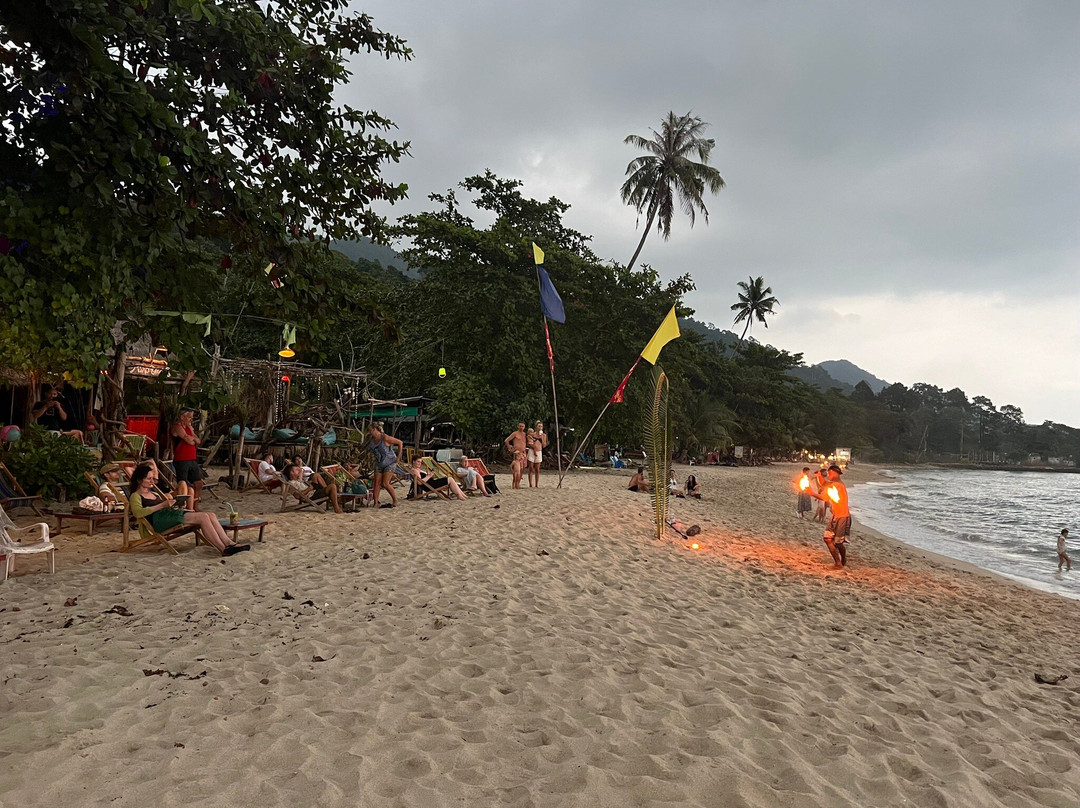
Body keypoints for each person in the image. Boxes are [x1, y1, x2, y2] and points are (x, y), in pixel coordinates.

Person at [128, 462, 248, 556]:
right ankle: (223, 549)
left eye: (152, 478)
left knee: (210, 514)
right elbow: (138, 513)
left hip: (167, 515)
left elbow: (162, 506)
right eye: (149, 479)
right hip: (159, 522)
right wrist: (162, 505)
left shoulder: (153, 493)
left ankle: (230, 543)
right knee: (203, 517)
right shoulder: (136, 496)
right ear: (139, 480)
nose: (152, 482)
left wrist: (175, 504)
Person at [807, 464, 851, 569]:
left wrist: (811, 493)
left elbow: (824, 497)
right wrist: (819, 476)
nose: (828, 475)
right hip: (835, 516)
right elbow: (825, 484)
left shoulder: (838, 485)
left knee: (838, 543)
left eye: (829, 473)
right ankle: (839, 562)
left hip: (843, 517)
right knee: (827, 539)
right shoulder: (834, 484)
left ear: (835, 473)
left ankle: (841, 561)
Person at [170, 408, 203, 511]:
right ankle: (183, 505)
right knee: (183, 483)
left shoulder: (189, 427)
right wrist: (192, 438)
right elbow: (189, 441)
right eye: (189, 417)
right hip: (181, 459)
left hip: (192, 458)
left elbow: (197, 440)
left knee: (198, 483)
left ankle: (195, 504)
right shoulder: (177, 427)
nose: (191, 419)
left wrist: (192, 438)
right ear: (182, 417)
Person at [368, 422, 403, 508]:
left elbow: (400, 442)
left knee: (385, 483)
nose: (370, 432)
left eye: (371, 430)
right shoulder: (371, 440)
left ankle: (395, 500)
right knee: (377, 483)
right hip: (379, 462)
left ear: (375, 430)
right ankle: (376, 502)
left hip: (390, 462)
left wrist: (399, 456)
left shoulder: (385, 438)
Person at [504, 422, 527, 489]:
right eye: (520, 426)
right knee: (517, 470)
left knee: (522, 469)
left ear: (524, 427)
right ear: (518, 426)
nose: (521, 427)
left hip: (523, 453)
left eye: (522, 426)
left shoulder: (524, 434)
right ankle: (514, 484)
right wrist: (509, 448)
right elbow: (506, 441)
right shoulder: (515, 433)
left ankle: (518, 484)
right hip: (517, 453)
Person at [526, 421, 549, 487]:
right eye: (539, 426)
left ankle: (536, 484)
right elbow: (529, 443)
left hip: (539, 451)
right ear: (536, 427)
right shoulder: (532, 434)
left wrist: (541, 437)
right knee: (531, 468)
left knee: (537, 469)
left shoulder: (544, 435)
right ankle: (530, 483)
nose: (540, 427)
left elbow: (544, 445)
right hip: (532, 451)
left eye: (541, 426)